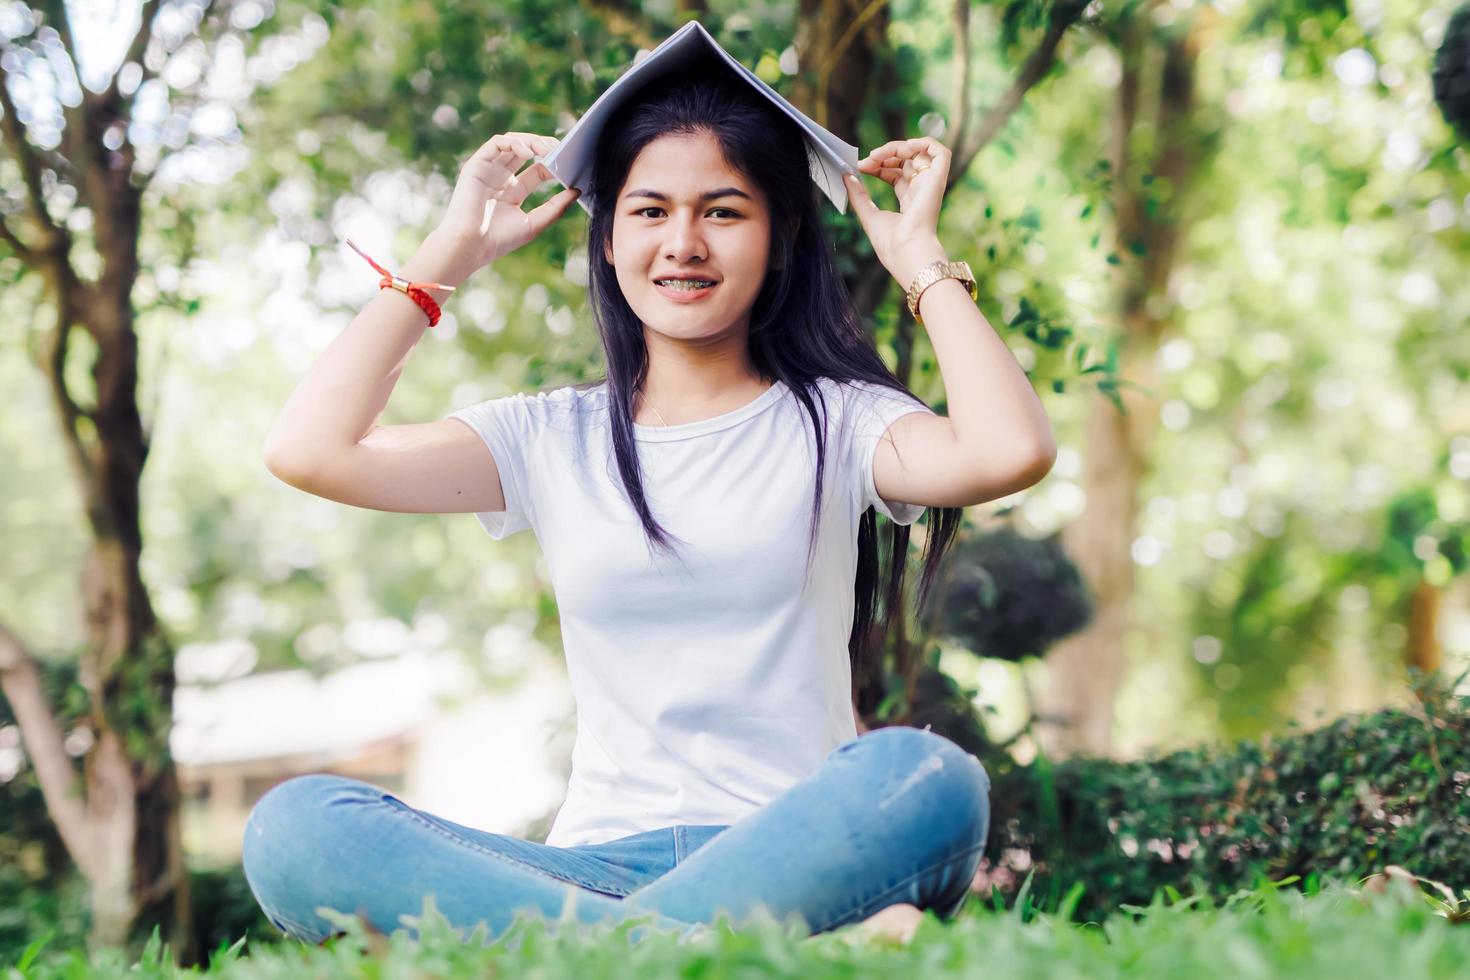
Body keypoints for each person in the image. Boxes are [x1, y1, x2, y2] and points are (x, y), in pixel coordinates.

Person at [246, 28, 1056, 951]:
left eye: (722, 212)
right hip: (585, 866)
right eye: (648, 212)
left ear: (781, 237)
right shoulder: (548, 436)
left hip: (787, 847)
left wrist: (919, 257)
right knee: (296, 829)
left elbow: (1009, 448)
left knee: (928, 778)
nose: (682, 244)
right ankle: (710, 949)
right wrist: (448, 254)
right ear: (609, 236)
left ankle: (588, 957)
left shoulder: (840, 422)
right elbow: (310, 449)